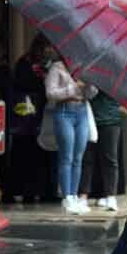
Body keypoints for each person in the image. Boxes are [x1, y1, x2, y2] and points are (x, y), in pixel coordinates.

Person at [45, 50, 95, 214]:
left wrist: (89, 85)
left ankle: (74, 195)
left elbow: (93, 93)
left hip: (82, 111)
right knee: (66, 156)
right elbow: (51, 93)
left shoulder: (83, 69)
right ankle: (67, 196)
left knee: (78, 157)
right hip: (64, 112)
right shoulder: (56, 68)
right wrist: (74, 87)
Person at [7, 36, 53, 204]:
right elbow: (24, 83)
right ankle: (23, 190)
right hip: (26, 118)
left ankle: (39, 190)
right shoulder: (25, 63)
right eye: (46, 47)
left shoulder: (49, 65)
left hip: (39, 116)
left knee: (40, 155)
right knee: (24, 154)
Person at [80, 87, 124, 212]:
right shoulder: (90, 74)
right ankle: (83, 196)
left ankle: (110, 197)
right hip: (88, 118)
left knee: (110, 160)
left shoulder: (114, 77)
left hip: (111, 120)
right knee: (86, 159)